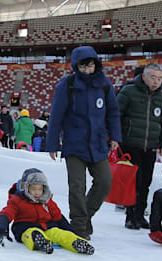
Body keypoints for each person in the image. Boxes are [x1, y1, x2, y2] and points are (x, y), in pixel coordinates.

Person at [46, 46, 122, 240]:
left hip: (97, 144)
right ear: (76, 66)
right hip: (74, 144)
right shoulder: (67, 85)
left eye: (90, 65)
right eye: (83, 66)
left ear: (96, 64)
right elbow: (56, 115)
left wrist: (115, 136)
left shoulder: (104, 85)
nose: (87, 69)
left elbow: (113, 112)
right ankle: (79, 225)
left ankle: (85, 216)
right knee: (77, 186)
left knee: (105, 182)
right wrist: (52, 143)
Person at [117, 63, 162, 230]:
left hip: (151, 146)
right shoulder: (128, 92)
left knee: (145, 182)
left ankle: (140, 215)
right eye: (153, 77)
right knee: (133, 181)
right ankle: (130, 216)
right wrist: (115, 139)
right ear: (144, 76)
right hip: (130, 144)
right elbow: (115, 115)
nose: (156, 82)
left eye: (160, 78)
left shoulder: (161, 98)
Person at [0, 168, 94, 255]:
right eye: (33, 189)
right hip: (25, 227)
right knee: (31, 233)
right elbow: (6, 213)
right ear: (25, 187)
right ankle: (39, 242)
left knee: (59, 233)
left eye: (40, 189)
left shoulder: (47, 201)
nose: (37, 192)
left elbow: (58, 217)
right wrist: (1, 228)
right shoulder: (17, 200)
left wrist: (70, 231)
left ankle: (76, 242)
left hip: (47, 226)